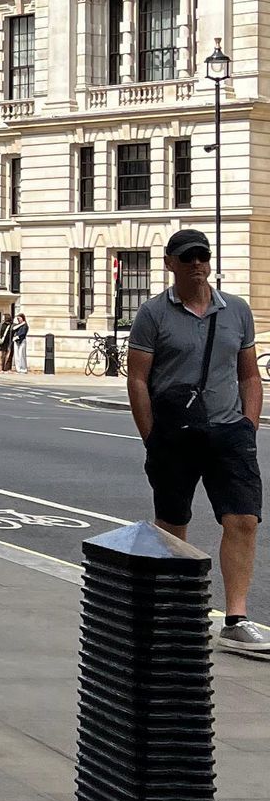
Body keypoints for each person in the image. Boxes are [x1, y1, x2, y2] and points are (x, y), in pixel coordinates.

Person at [125, 228, 266, 657]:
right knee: (173, 524)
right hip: (175, 435)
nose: (197, 265)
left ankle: (237, 619)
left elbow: (248, 373)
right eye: (187, 258)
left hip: (229, 432)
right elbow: (138, 379)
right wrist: (152, 438)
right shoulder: (153, 314)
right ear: (169, 263)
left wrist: (248, 425)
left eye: (202, 256)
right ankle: (173, 612)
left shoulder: (237, 311)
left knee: (243, 520)